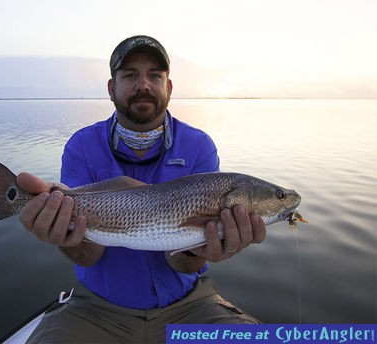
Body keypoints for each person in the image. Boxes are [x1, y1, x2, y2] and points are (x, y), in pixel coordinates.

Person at [18, 35, 266, 343]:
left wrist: (200, 246)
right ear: (112, 88)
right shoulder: (82, 145)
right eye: (130, 75)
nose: (143, 84)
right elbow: (87, 256)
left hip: (190, 306)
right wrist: (63, 233)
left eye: (154, 76)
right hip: (96, 309)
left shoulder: (199, 145)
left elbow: (183, 262)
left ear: (169, 87)